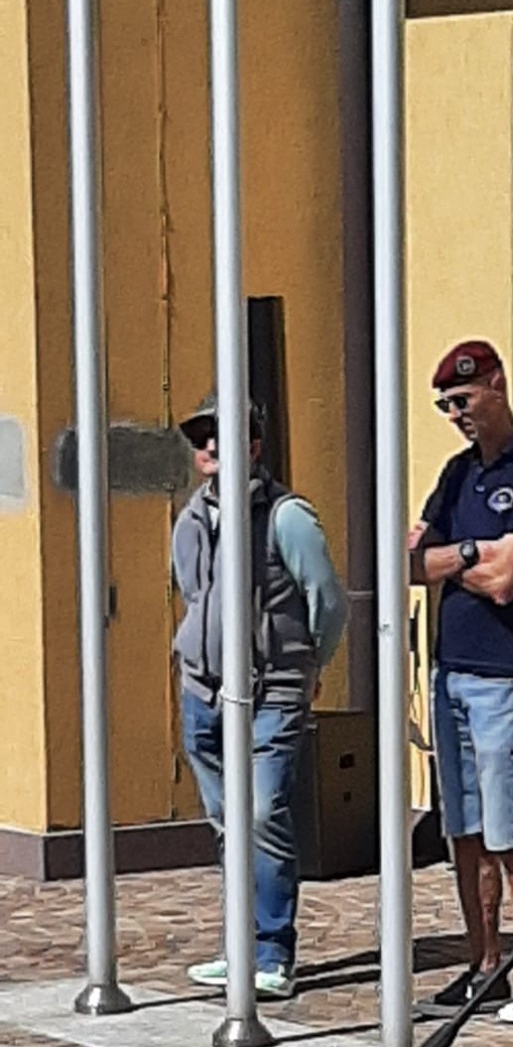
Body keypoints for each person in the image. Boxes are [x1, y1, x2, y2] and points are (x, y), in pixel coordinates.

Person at [409, 340, 513, 1022]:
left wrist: (453, 562)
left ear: (497, 384)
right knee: (465, 833)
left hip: (508, 674)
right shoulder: (457, 473)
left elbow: (510, 580)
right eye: (446, 405)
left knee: (508, 830)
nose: (456, 415)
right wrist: (473, 550)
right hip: (451, 671)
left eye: (464, 400)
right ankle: (484, 966)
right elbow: (409, 562)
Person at [173, 393, 348, 1000]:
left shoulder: (286, 516)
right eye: (201, 438)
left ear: (252, 446)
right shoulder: (192, 517)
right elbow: (193, 595)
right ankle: (238, 946)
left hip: (271, 688)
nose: (210, 447)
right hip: (203, 691)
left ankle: (273, 951)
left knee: (263, 814)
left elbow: (329, 601)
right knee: (228, 823)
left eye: (222, 436)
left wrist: (310, 665)